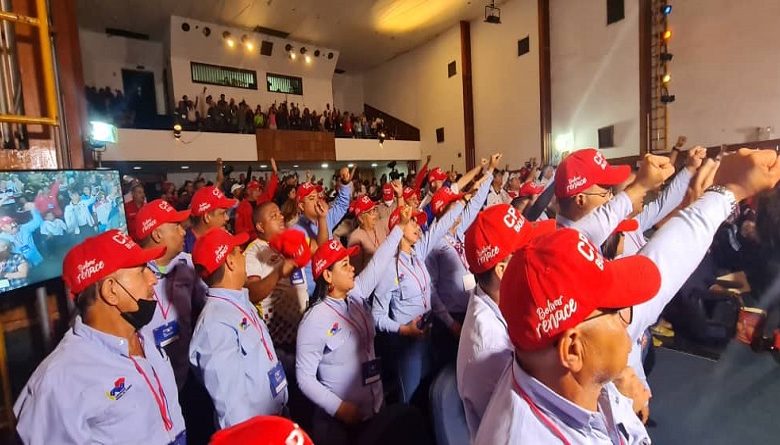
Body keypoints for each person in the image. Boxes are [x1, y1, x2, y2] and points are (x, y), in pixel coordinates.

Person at [476, 148, 780, 444]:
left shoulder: (559, 371)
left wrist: (726, 192)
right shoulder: (528, 434)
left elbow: (663, 264)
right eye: (615, 308)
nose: (630, 314)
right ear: (573, 350)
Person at [475, 228, 660, 445]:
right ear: (573, 350)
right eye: (618, 312)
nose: (628, 325)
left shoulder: (576, 378)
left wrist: (623, 402)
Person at [14, 230, 186, 444]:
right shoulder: (59, 383)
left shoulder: (140, 336)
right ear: (111, 290)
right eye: (142, 271)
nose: (153, 279)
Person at [296, 208, 429, 445]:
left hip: (374, 407)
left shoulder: (356, 293)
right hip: (342, 423)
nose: (352, 268)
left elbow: (379, 262)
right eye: (344, 265)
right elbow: (304, 377)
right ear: (328, 276)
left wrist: (400, 227)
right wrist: (338, 408)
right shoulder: (314, 320)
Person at [457, 204, 556, 440]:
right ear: (503, 269)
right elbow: (534, 417)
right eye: (528, 250)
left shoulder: (503, 298)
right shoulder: (490, 345)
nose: (537, 255)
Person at [189, 228, 287, 429]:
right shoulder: (214, 326)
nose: (243, 257)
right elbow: (232, 410)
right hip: (259, 434)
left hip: (276, 418)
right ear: (230, 262)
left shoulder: (240, 301)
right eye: (239, 251)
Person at [371, 194, 465, 403]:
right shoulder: (389, 268)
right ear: (398, 230)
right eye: (411, 222)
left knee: (427, 391)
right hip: (407, 344)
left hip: (428, 336)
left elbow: (439, 228)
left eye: (417, 221)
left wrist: (462, 201)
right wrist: (403, 329)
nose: (417, 226)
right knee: (410, 397)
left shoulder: (418, 255)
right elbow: (376, 315)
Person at [554, 148, 674, 247]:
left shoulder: (593, 236)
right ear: (581, 200)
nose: (612, 198)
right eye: (606, 193)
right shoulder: (564, 249)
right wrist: (640, 186)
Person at [292, 167, 354, 295]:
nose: (316, 202)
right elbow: (322, 249)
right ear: (301, 206)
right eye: (311, 199)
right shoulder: (296, 230)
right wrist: (322, 218)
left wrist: (345, 183)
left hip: (331, 286)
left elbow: (342, 204)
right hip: (312, 292)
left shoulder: (326, 217)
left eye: (317, 197)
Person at [347, 184, 399, 274]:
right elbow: (357, 273)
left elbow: (399, 218)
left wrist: (400, 196)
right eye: (371, 212)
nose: (375, 215)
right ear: (361, 218)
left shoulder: (380, 224)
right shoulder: (355, 238)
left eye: (374, 210)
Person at [184, 185, 236, 253]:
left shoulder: (223, 238)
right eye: (222, 213)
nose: (227, 218)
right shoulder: (183, 251)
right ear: (207, 217)